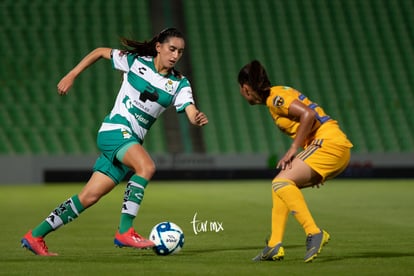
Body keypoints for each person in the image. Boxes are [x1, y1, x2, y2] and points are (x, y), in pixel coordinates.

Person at [21, 28, 209, 256]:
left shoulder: (179, 83)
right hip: (114, 131)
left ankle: (35, 236)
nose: (176, 55)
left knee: (88, 197)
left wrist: (195, 117)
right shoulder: (136, 61)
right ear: (159, 47)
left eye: (180, 52)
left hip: (127, 142)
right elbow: (100, 52)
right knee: (146, 167)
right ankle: (125, 231)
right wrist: (72, 74)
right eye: (172, 49)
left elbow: (189, 109)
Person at [237, 60, 352, 263]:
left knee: (280, 182)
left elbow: (309, 115)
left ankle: (314, 232)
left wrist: (293, 149)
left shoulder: (276, 99)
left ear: (246, 88)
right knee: (280, 187)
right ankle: (274, 245)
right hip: (331, 146)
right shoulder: (277, 94)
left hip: (328, 144)